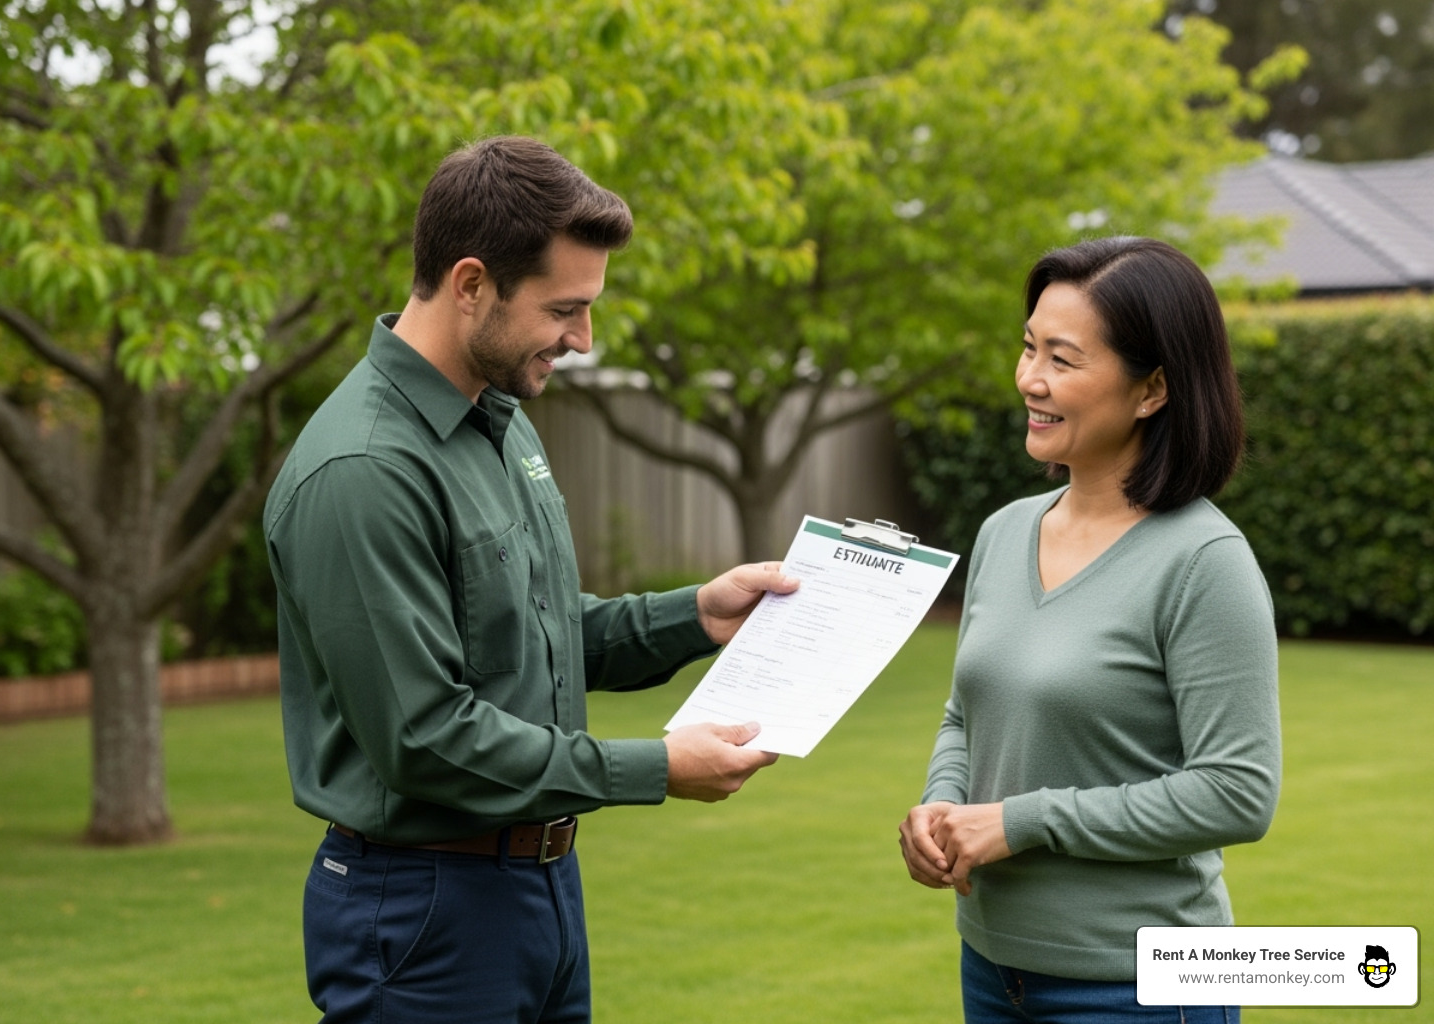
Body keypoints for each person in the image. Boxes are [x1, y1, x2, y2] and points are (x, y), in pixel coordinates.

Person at [263, 135, 796, 1024]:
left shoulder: (498, 419)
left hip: (539, 887)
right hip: (425, 909)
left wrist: (697, 616)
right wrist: (655, 768)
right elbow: (426, 737)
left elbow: (533, 637)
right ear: (472, 283)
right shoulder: (364, 469)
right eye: (565, 309)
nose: (584, 340)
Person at [898, 236, 1281, 1023]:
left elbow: (1239, 793)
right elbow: (969, 710)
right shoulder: (1006, 532)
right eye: (1028, 347)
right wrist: (943, 808)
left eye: (1063, 360)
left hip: (1137, 987)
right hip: (993, 966)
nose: (1030, 380)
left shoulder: (1205, 561)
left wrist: (1022, 821)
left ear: (1152, 390)